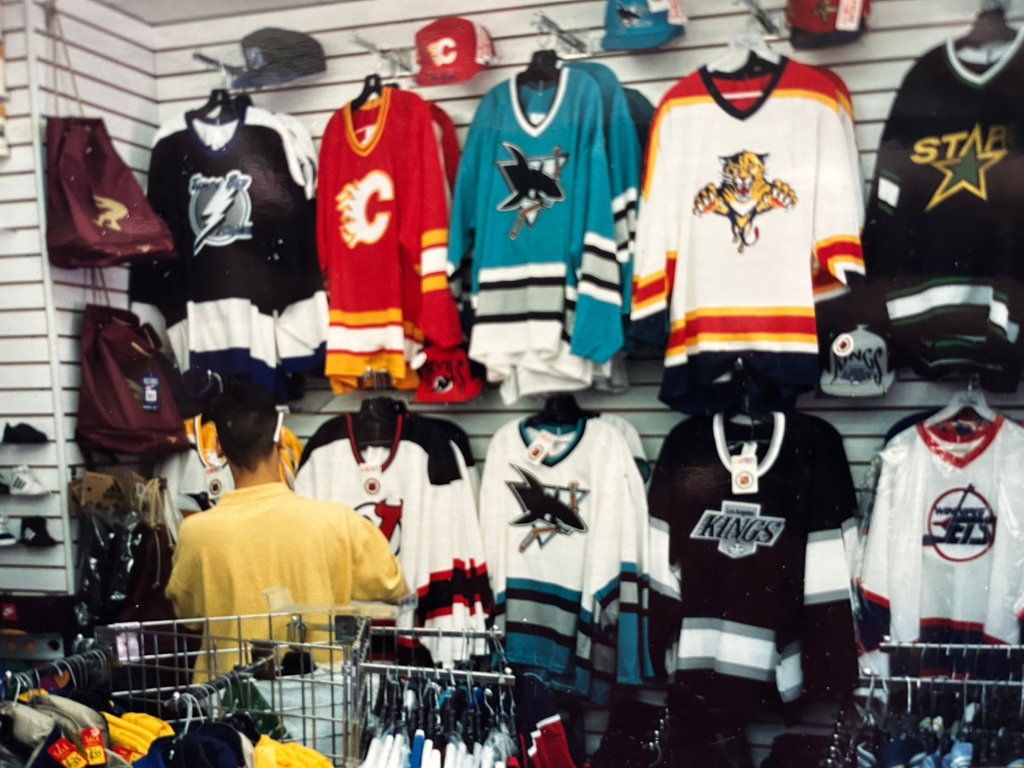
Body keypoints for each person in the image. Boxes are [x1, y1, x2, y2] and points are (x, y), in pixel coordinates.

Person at [166, 383, 406, 679]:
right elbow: (396, 590)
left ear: (218, 447)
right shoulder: (339, 521)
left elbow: (189, 617)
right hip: (321, 705)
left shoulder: (194, 533)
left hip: (229, 703)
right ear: (280, 437)